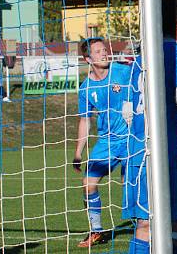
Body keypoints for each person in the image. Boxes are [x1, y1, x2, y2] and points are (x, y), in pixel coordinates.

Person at [122, 0, 177, 254]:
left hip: (137, 152)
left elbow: (126, 111)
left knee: (144, 226)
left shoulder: (140, 60)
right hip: (167, 153)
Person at [73, 38, 133, 247]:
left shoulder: (123, 71)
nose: (104, 53)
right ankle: (96, 230)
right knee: (88, 184)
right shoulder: (86, 87)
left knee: (132, 184)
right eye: (98, 52)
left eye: (104, 50)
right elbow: (85, 120)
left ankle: (144, 225)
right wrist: (78, 152)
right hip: (106, 141)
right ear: (88, 58)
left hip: (131, 137)